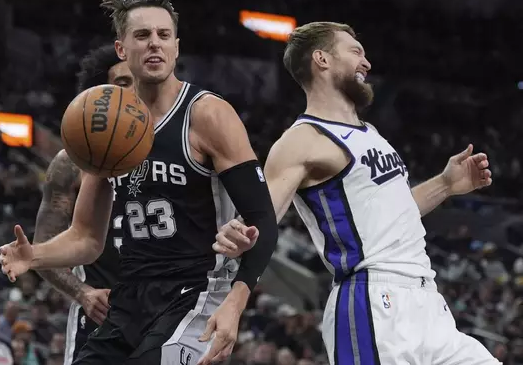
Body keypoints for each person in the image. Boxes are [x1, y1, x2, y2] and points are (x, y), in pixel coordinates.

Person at [0, 0, 278, 365]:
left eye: (164, 35)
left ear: (177, 47)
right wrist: (36, 255)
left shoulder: (207, 114)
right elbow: (86, 237)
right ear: (121, 49)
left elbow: (263, 217)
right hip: (130, 294)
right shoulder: (108, 121)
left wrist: (236, 302)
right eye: (142, 36)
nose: (154, 44)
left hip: (196, 293)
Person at [213, 22, 499, 365]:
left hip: (428, 303)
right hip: (372, 301)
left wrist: (446, 184)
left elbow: (394, 211)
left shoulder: (371, 133)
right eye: (355, 52)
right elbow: (263, 217)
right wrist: (241, 233)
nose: (366, 63)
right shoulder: (302, 139)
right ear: (322, 60)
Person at [31, 43, 133, 365]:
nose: (131, 93)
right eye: (122, 84)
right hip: (101, 312)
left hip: (165, 310)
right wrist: (81, 293)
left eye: (136, 83)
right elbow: (43, 248)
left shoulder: (173, 151)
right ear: (97, 95)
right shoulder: (70, 163)